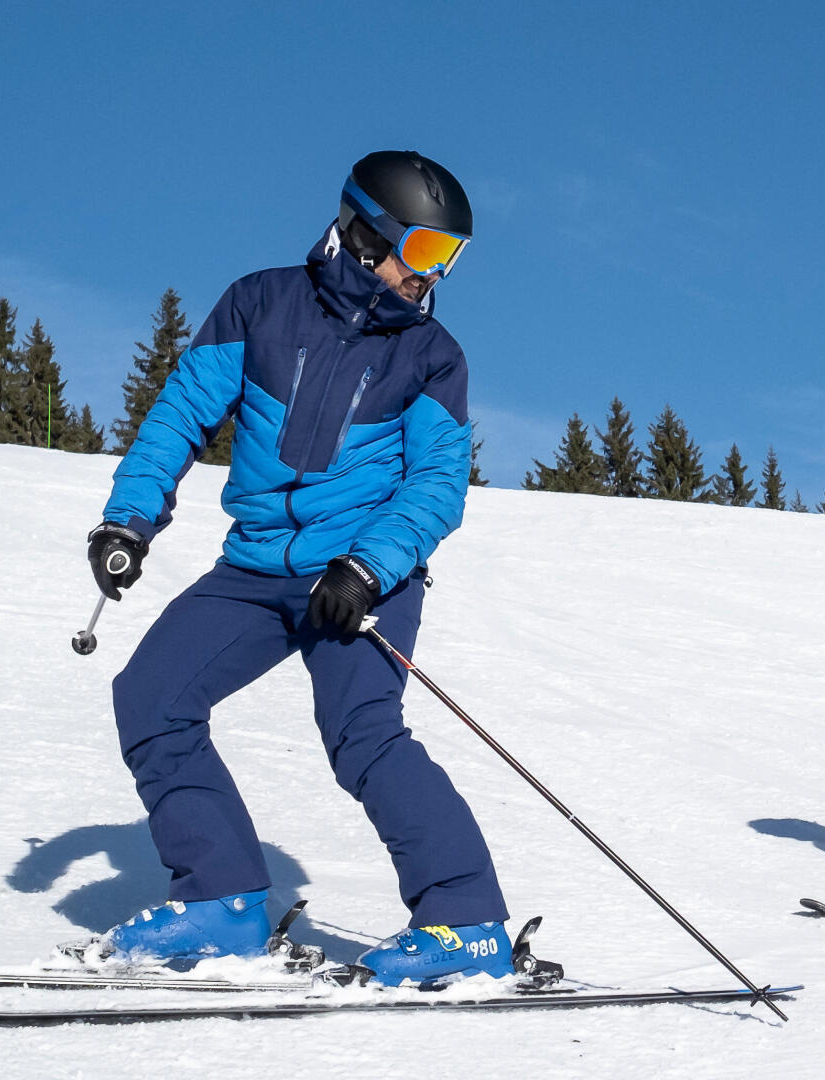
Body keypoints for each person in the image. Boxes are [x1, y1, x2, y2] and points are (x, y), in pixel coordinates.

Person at [84, 150, 510, 984]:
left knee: (362, 733)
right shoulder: (260, 304)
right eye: (423, 252)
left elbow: (435, 487)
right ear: (361, 235)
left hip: (357, 574)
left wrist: (367, 567)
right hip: (253, 570)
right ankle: (223, 902)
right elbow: (180, 416)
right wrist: (127, 518)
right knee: (152, 698)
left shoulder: (432, 356)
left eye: (449, 259)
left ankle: (466, 922)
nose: (433, 276)